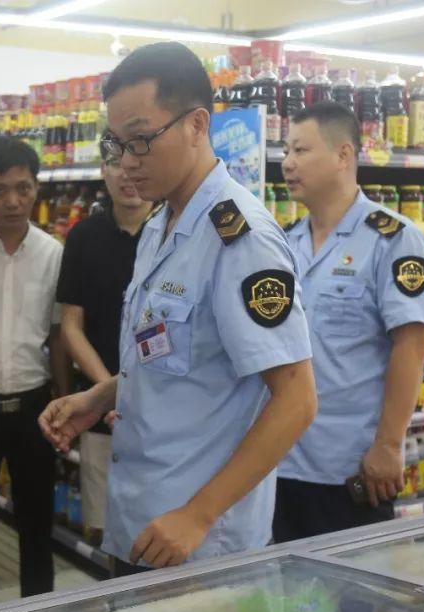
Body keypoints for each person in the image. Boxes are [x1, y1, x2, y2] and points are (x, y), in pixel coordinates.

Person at [39, 42, 317, 575]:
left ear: (196, 125)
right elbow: (184, 360)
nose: (127, 162)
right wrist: (103, 395)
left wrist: (199, 514)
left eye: (141, 140)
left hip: (200, 547)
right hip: (144, 521)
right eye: (115, 145)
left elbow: (297, 401)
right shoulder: (160, 224)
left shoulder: (240, 240)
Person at [273, 102, 424, 543]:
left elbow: (413, 345)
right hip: (277, 459)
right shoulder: (283, 244)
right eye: (285, 150)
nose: (287, 163)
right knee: (278, 605)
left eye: (301, 150)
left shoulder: (395, 239)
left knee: (347, 607)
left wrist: (388, 444)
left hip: (347, 466)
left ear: (343, 155)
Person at [0, 137, 68, 597]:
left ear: (36, 189)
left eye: (24, 188)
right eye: (0, 190)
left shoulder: (54, 253)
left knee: (36, 522)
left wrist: (66, 401)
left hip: (35, 404)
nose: (13, 201)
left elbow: (58, 334)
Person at [56, 142, 155, 548]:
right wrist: (107, 392)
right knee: (103, 529)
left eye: (135, 163)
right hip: (100, 412)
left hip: (159, 408)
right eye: (116, 164)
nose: (127, 175)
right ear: (103, 171)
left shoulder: (171, 233)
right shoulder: (83, 237)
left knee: (155, 529)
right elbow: (71, 327)